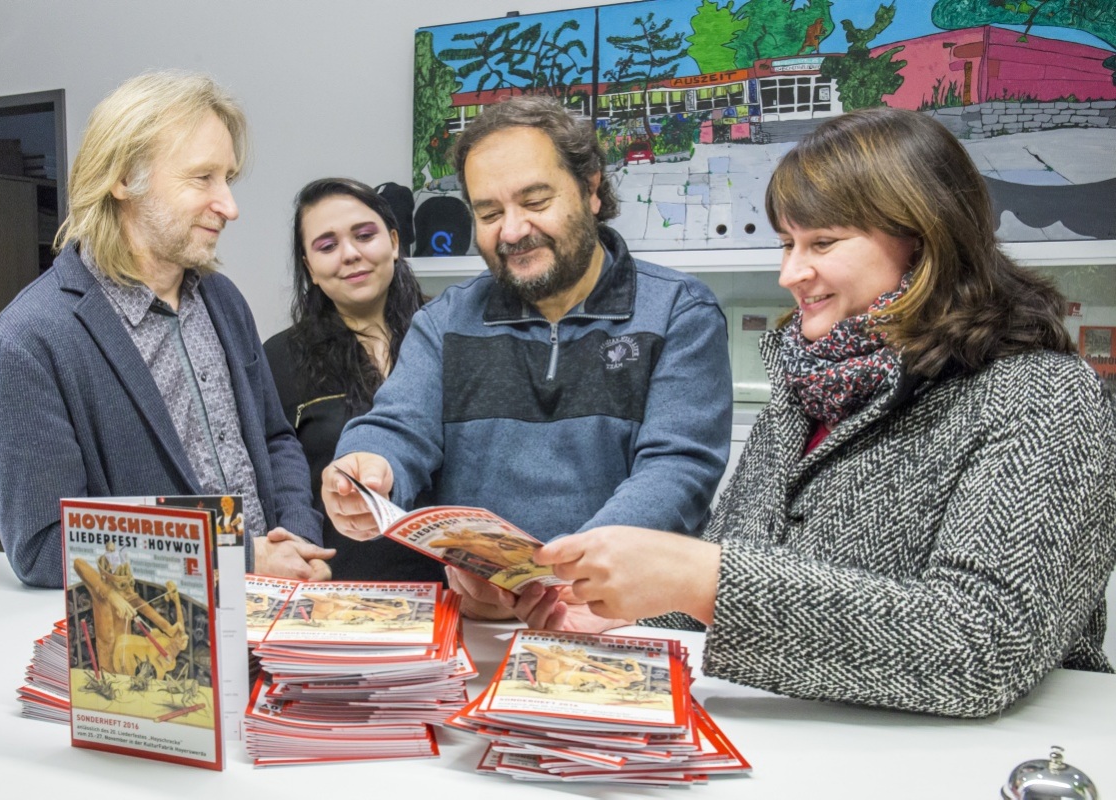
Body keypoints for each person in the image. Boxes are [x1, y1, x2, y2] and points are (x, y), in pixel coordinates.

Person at [529, 107, 1116, 718]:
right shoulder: (803, 388)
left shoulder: (1047, 395)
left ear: (924, 236)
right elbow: (718, 597)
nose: (790, 273)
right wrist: (614, 611)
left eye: (822, 243)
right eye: (787, 244)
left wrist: (705, 577)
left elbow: (987, 645)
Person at [321, 95, 733, 619]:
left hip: (625, 616)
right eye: (489, 213)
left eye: (535, 202)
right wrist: (367, 467)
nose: (512, 231)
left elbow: (676, 470)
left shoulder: (680, 311)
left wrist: (572, 574)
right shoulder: (445, 319)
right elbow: (396, 427)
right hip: (484, 618)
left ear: (591, 190)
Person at [0, 70, 331, 588]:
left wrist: (294, 540)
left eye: (227, 179)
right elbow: (44, 546)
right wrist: (240, 559)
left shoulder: (222, 300)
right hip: (164, 651)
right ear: (123, 179)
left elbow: (275, 441)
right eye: (202, 177)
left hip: (275, 613)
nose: (229, 207)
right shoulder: (30, 340)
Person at [263, 178, 442, 582]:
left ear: (394, 243)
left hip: (461, 592)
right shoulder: (277, 360)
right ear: (309, 266)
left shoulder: (449, 337)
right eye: (327, 246)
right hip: (341, 596)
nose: (350, 255)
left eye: (364, 235)